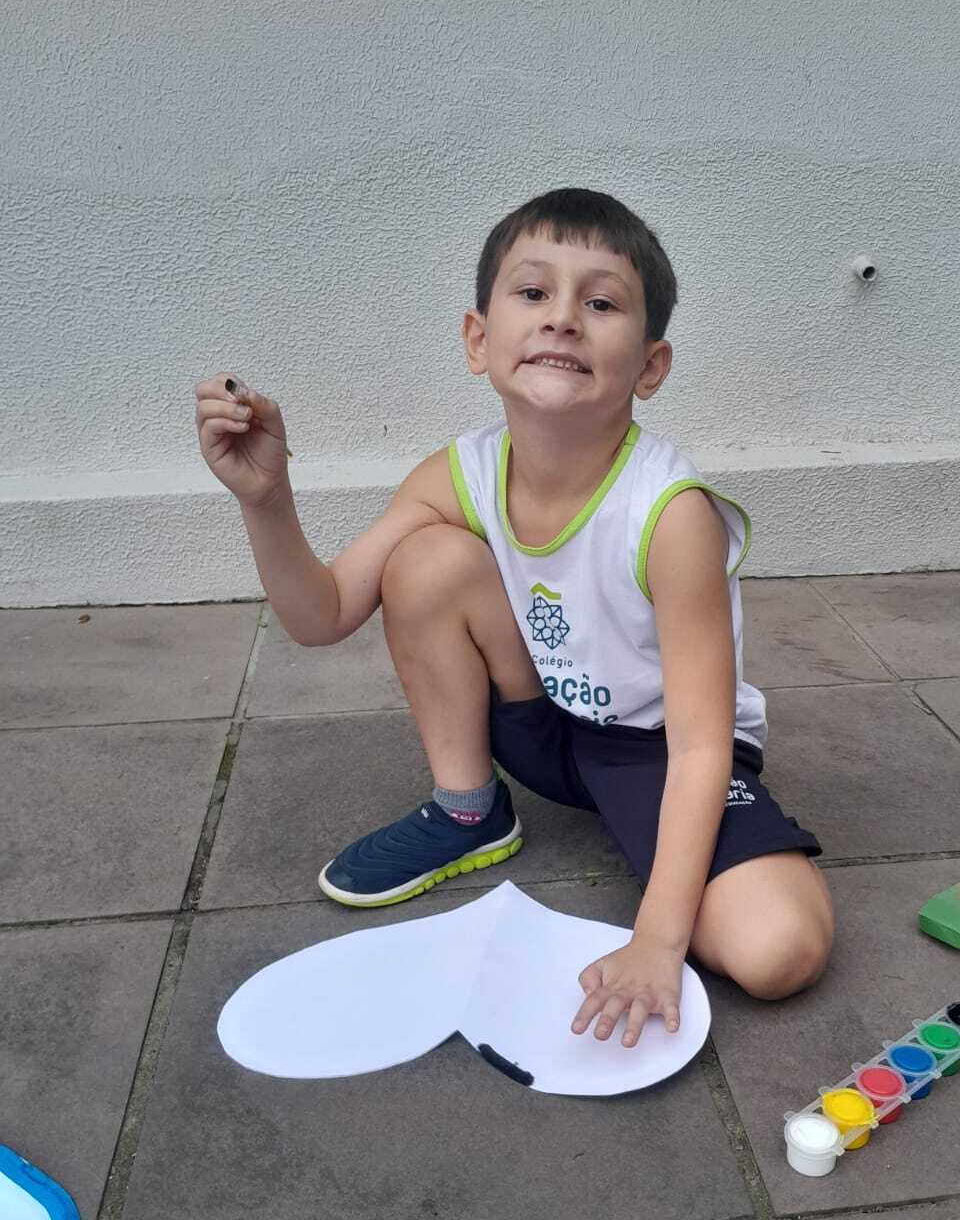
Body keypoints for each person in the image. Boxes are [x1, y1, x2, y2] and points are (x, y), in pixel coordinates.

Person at [194, 187, 833, 1050]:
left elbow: (699, 746)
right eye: (533, 292)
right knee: (426, 560)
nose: (562, 317)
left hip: (654, 750)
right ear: (477, 339)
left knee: (780, 947)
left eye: (600, 304)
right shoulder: (456, 473)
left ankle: (655, 844)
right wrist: (266, 499)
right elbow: (324, 612)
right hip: (539, 721)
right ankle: (469, 812)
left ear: (650, 367)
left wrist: (657, 939)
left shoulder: (670, 513)